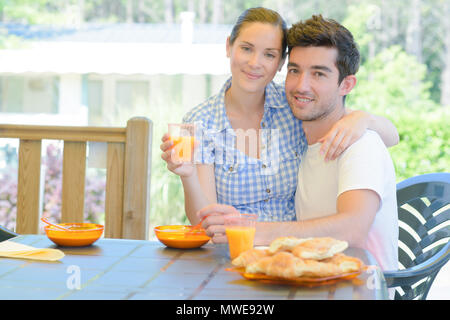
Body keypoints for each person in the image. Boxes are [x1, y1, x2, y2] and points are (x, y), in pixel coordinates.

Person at [160, 7, 399, 230]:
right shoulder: (201, 122)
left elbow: (390, 136)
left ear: (280, 62)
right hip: (235, 251)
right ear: (229, 47)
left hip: (293, 251)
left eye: (269, 54)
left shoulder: (294, 103)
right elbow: (204, 219)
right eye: (246, 48)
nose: (255, 63)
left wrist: (363, 119)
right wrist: (188, 175)